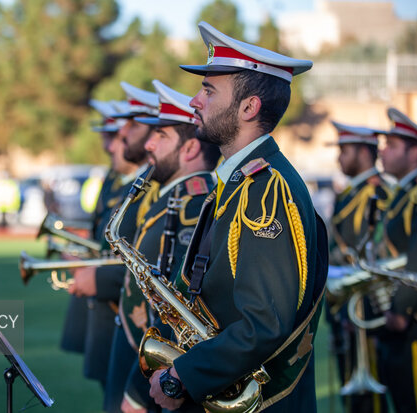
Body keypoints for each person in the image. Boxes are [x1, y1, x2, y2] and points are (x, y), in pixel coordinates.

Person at [146, 21, 328, 411]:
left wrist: (182, 376)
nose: (195, 100)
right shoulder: (239, 180)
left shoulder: (268, 189)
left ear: (249, 107)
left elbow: (264, 322)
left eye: (208, 90)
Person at [104, 80, 220, 413]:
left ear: (190, 149)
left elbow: (179, 308)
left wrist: (139, 391)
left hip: (163, 369)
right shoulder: (170, 199)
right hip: (144, 352)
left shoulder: (192, 205)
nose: (149, 144)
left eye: (162, 135)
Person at [69, 83, 160, 389]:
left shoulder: (153, 188)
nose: (113, 144)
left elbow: (154, 262)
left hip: (134, 324)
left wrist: (98, 278)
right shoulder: (129, 181)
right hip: (115, 317)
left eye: (129, 129)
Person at [325, 121, 390, 413]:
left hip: (367, 307)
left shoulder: (378, 193)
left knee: (370, 400)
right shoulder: (348, 194)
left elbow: (377, 255)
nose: (339, 157)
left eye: (344, 149)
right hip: (345, 304)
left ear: (364, 152)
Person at [60, 99, 128, 355]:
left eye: (115, 135)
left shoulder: (135, 182)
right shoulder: (111, 177)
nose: (107, 146)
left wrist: (94, 270)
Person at [376, 107, 417, 413]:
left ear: (415, 152)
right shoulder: (402, 194)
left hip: (413, 320)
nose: (383, 151)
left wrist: (401, 308)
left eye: (392, 146)